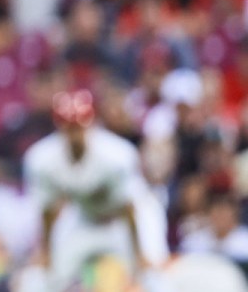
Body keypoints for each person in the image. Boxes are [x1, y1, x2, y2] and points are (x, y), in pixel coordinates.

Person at [19, 89, 171, 292]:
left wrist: (140, 255)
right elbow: (47, 209)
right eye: (69, 127)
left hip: (129, 220)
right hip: (85, 217)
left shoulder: (116, 154)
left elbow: (128, 207)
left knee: (153, 275)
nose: (74, 134)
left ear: (90, 124)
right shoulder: (42, 159)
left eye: (79, 127)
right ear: (59, 126)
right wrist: (46, 252)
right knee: (42, 276)